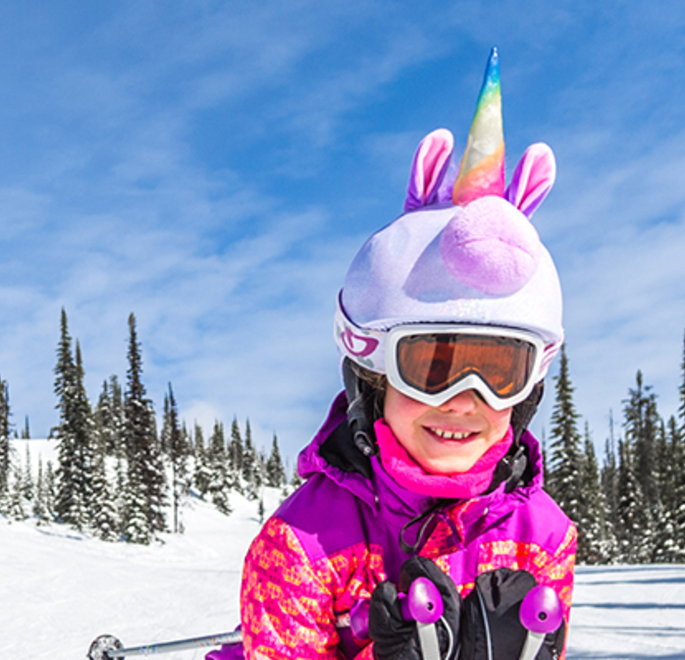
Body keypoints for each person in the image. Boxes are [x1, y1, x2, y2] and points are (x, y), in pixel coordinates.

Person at [216, 48, 575, 660]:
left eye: (497, 373)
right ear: (372, 375)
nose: (466, 400)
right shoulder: (301, 546)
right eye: (432, 367)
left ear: (528, 390)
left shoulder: (543, 537)